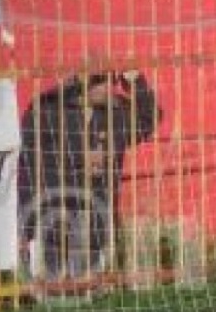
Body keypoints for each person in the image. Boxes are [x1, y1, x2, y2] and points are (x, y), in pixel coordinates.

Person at [17, 70, 161, 280]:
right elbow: (30, 156)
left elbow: (149, 119)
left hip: (96, 216)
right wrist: (79, 158)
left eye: (111, 81)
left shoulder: (115, 114)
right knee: (51, 283)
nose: (108, 87)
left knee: (91, 283)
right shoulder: (48, 111)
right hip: (55, 216)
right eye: (100, 81)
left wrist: (136, 83)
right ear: (81, 82)